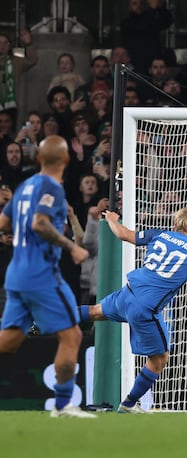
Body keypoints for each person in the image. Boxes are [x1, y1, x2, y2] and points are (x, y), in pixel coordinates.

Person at [79, 206, 187, 413]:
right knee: (160, 359)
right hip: (145, 308)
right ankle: (128, 404)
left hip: (128, 292)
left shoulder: (160, 234)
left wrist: (111, 219)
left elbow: (123, 234)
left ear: (176, 224)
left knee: (94, 311)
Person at [0, 135, 94, 418]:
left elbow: (3, 222)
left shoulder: (24, 187)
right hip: (41, 275)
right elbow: (40, 223)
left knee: (11, 340)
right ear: (66, 160)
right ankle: (64, 406)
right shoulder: (53, 187)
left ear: (38, 158)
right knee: (72, 335)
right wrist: (71, 247)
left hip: (16, 272)